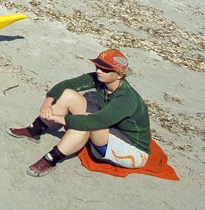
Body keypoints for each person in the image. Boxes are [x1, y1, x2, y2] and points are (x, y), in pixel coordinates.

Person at [8, 48, 151, 177]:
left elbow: (95, 122)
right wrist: (47, 103)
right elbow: (67, 85)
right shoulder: (101, 79)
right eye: (98, 67)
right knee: (68, 94)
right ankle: (35, 130)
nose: (99, 71)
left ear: (119, 75)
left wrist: (61, 118)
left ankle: (52, 158)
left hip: (132, 149)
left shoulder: (127, 98)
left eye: (105, 70)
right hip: (111, 127)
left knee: (86, 122)